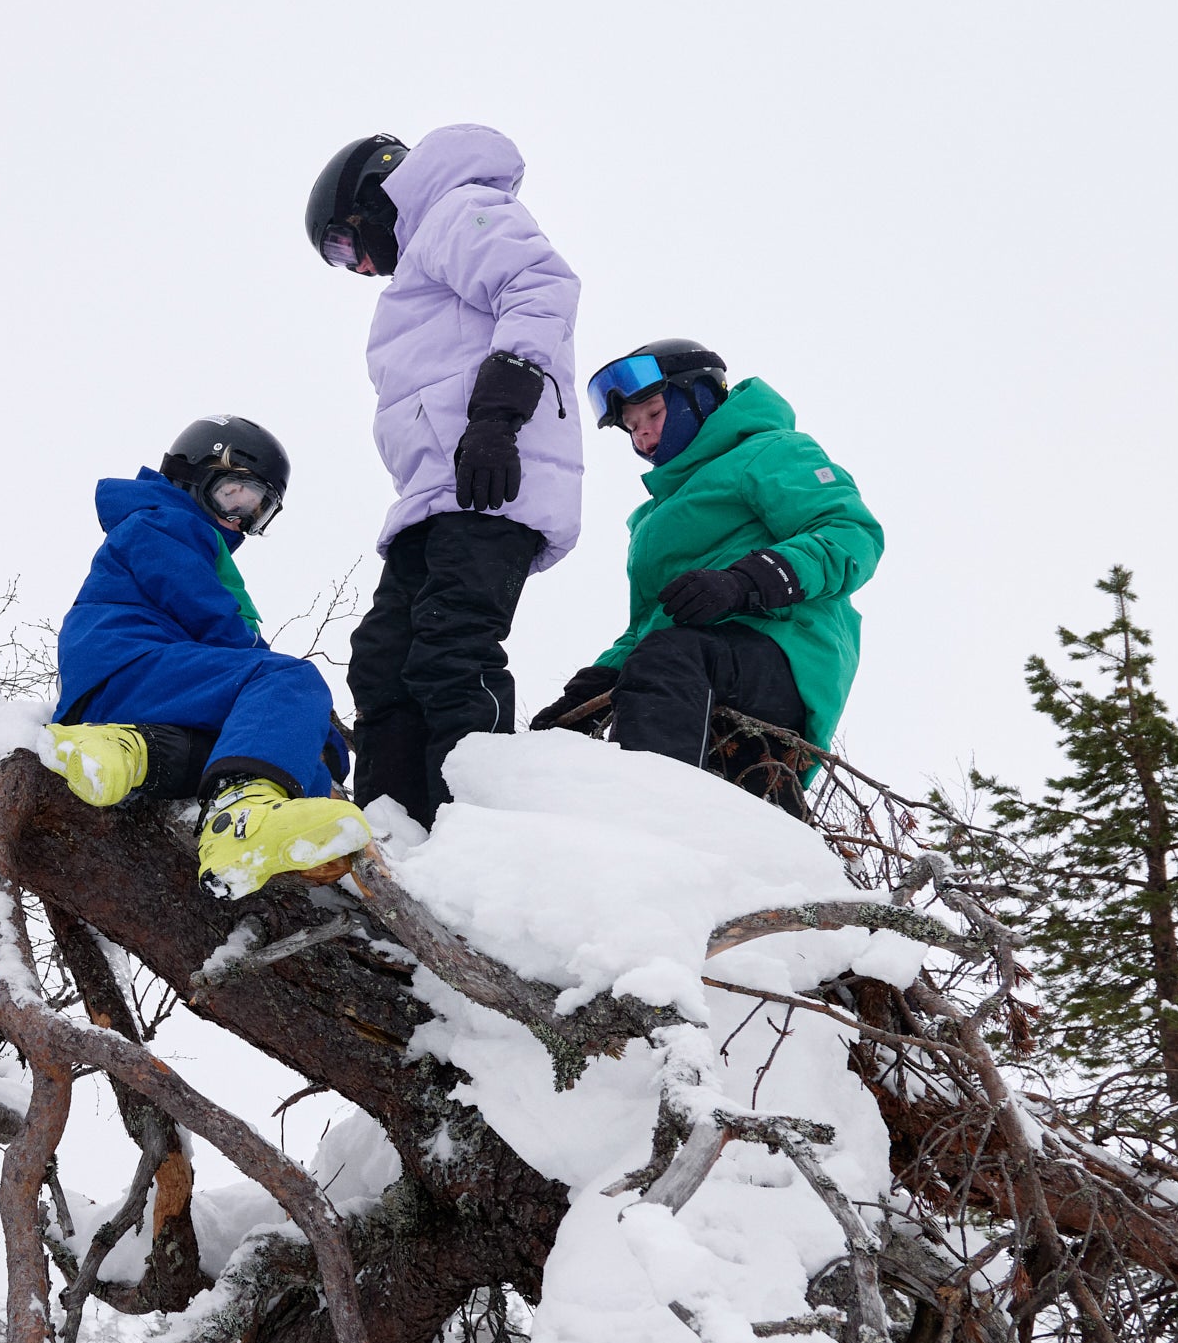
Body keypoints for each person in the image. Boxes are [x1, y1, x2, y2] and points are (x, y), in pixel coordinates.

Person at [308, 125, 581, 828]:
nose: (360, 266)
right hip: (434, 495)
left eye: (346, 245)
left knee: (450, 650)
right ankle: (396, 832)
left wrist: (500, 411)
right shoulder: (423, 260)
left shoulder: (457, 209)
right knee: (381, 660)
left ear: (372, 197)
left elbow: (540, 285)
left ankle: (477, 830)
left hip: (489, 477)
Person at [529, 343, 884, 801]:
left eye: (653, 414)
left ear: (698, 397)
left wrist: (747, 581)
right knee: (747, 823)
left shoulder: (768, 450)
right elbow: (650, 624)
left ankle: (654, 819)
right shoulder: (652, 518)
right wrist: (595, 683)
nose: (643, 438)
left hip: (785, 652)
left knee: (669, 657)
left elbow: (850, 533)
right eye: (631, 428)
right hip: (695, 672)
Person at [45, 415, 370, 898]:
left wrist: (318, 767)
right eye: (234, 493)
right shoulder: (161, 520)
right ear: (192, 475)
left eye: (257, 509)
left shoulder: (181, 533)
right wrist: (298, 706)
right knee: (291, 680)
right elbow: (210, 615)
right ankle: (241, 817)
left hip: (121, 696)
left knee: (229, 747)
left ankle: (120, 754)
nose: (239, 516)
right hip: (131, 663)